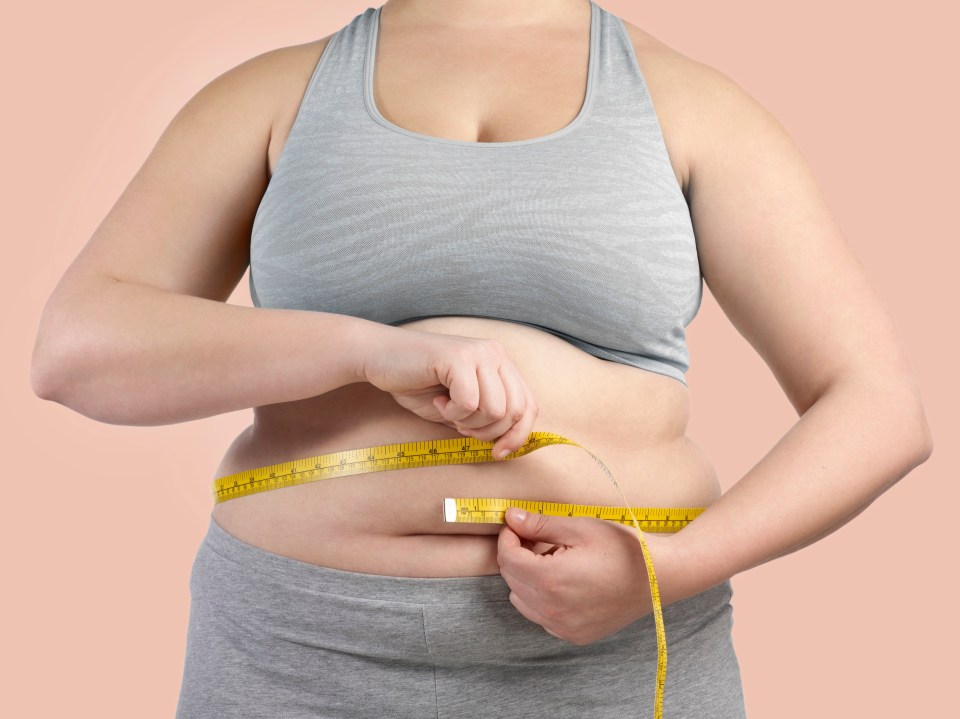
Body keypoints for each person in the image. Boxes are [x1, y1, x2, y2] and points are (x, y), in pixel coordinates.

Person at [30, 0, 932, 717]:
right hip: (296, 651)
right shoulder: (270, 95)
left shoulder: (693, 105)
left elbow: (878, 406)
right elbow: (77, 350)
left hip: (613, 656)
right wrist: (366, 349)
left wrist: (664, 571)